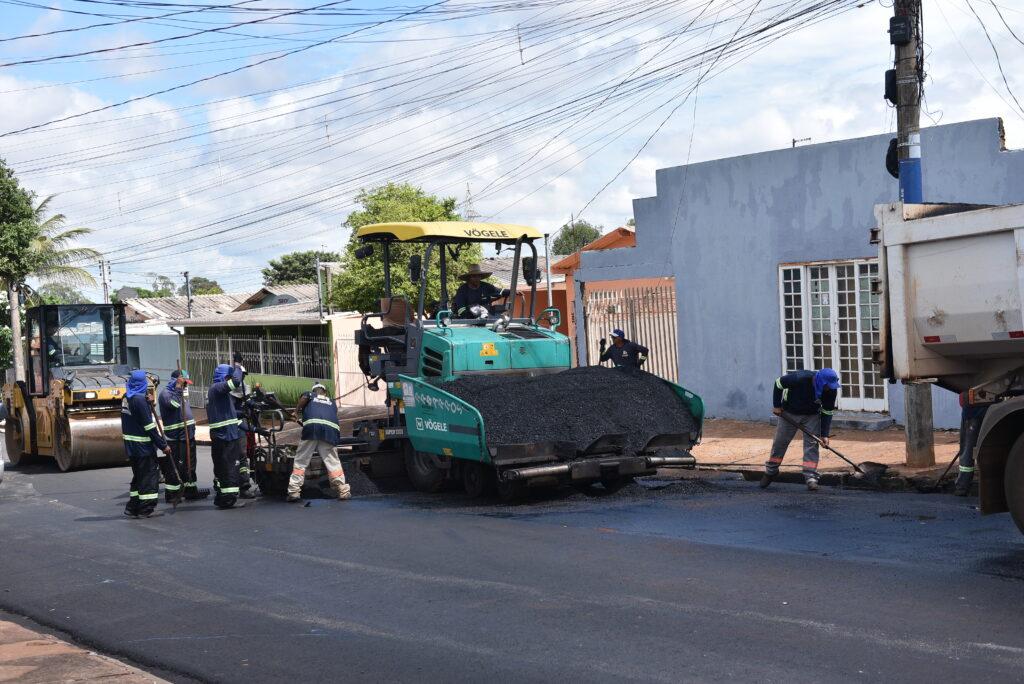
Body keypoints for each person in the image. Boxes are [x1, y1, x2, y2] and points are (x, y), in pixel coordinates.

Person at [761, 367, 840, 492]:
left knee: (812, 445)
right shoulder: (800, 378)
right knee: (780, 443)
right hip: (789, 412)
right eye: (827, 386)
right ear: (820, 381)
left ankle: (811, 478)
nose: (829, 388)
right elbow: (778, 383)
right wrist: (777, 405)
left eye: (831, 386)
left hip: (812, 415)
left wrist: (824, 435)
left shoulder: (831, 390)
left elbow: (827, 411)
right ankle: (771, 471)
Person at [288, 383, 352, 503]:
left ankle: (294, 491)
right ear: (325, 392)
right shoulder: (332, 402)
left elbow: (305, 397)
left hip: (312, 429)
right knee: (333, 462)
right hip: (330, 430)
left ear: (314, 391)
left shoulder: (310, 395)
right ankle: (343, 490)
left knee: (301, 460)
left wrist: (296, 412)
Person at [121, 370, 171, 518]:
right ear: (142, 384)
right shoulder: (139, 400)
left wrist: (148, 403)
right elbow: (149, 427)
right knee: (149, 477)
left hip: (131, 446)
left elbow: (136, 415)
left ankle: (133, 506)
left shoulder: (126, 397)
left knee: (138, 476)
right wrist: (163, 445)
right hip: (143, 447)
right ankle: (145, 508)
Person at [157, 369, 208, 502]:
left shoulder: (181, 393)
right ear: (177, 381)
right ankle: (172, 494)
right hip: (176, 437)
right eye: (185, 383)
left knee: (190, 465)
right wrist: (179, 388)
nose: (187, 386)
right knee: (176, 467)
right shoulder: (166, 394)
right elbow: (173, 405)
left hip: (188, 436)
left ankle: (190, 490)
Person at [207, 363, 246, 509]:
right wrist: (238, 366)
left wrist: (242, 414)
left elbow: (229, 414)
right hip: (225, 437)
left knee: (223, 468)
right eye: (228, 376)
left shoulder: (219, 392)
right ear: (223, 377)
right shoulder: (217, 388)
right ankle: (228, 499)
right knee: (230, 468)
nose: (230, 379)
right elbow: (236, 382)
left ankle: (223, 497)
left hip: (224, 435)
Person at [228, 351, 257, 499]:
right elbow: (235, 414)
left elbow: (249, 404)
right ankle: (241, 486)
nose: (243, 378)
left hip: (242, 424)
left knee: (244, 455)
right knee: (239, 456)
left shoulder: (244, 388)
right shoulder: (229, 390)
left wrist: (256, 405)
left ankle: (241, 484)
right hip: (235, 426)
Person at [953, 394, 989, 497]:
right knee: (986, 450)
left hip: (972, 412)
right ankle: (989, 487)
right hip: (987, 410)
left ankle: (962, 486)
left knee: (967, 451)